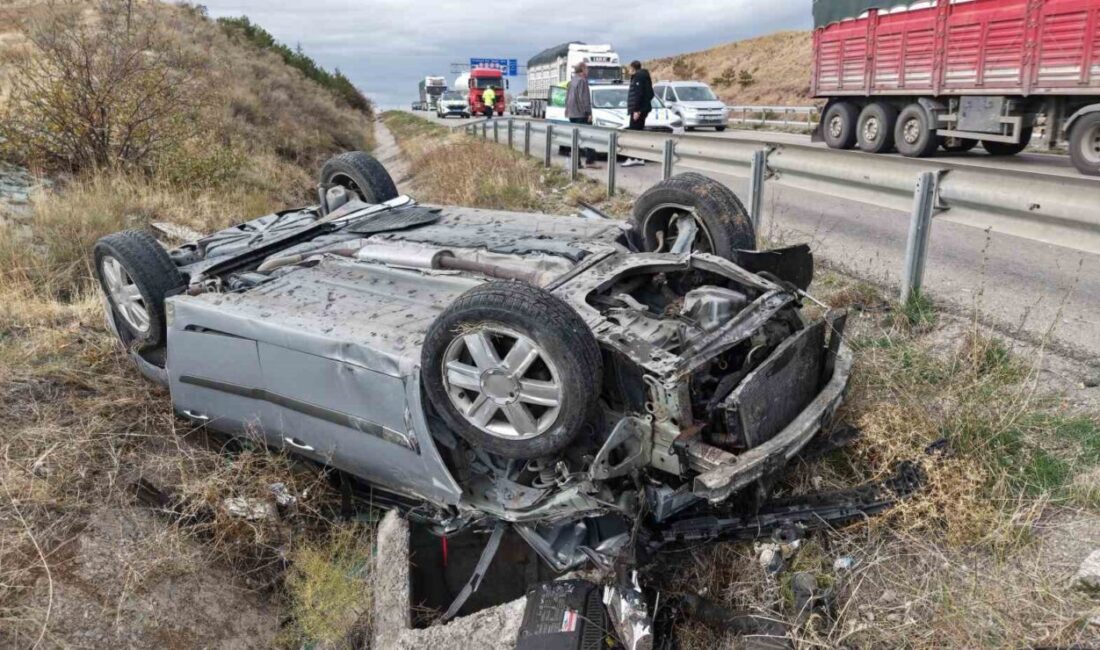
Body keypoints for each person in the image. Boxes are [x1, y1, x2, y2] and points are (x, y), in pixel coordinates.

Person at [565, 62, 599, 169]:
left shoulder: (571, 82)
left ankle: (576, 162)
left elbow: (567, 98)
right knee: (588, 136)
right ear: (582, 70)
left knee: (575, 138)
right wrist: (588, 112)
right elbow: (584, 98)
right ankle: (590, 161)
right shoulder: (582, 81)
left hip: (572, 113)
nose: (588, 71)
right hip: (581, 113)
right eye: (586, 69)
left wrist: (567, 110)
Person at [623, 60, 654, 167]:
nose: (628, 70)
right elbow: (650, 94)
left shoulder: (638, 77)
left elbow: (638, 95)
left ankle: (632, 157)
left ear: (633, 68)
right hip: (643, 109)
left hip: (638, 110)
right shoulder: (645, 76)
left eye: (629, 68)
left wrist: (637, 110)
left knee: (633, 134)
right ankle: (639, 157)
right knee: (639, 133)